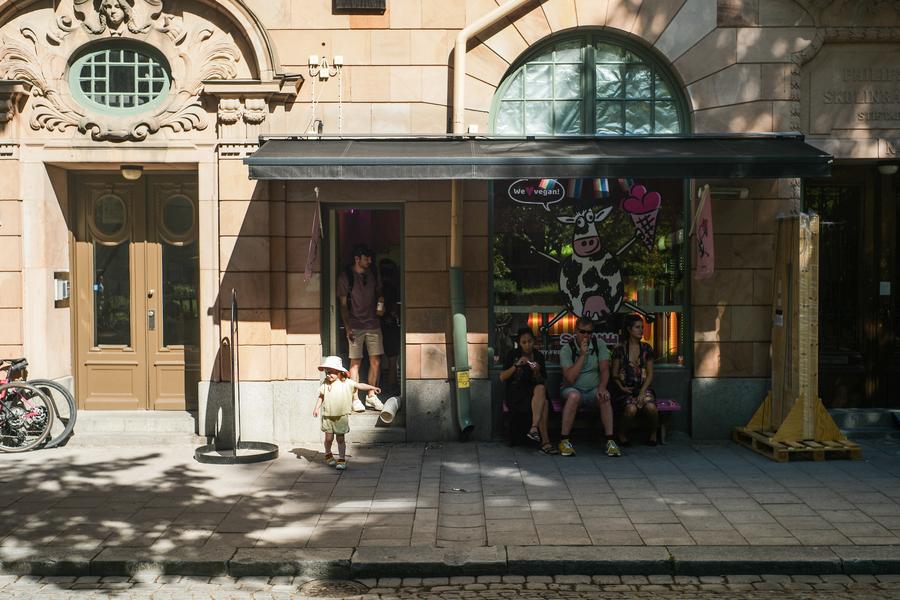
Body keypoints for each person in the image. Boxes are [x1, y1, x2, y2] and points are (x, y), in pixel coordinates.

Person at [559, 316, 621, 457]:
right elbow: (570, 378)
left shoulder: (599, 345)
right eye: (583, 332)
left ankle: (610, 441)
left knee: (605, 396)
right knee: (574, 396)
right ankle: (564, 440)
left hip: (593, 390)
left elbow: (604, 370)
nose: (586, 335)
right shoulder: (567, 349)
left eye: (589, 332)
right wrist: (582, 355)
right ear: (576, 331)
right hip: (572, 389)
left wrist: (602, 387)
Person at [337, 244, 385, 413]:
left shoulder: (373, 274)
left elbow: (380, 293)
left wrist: (381, 304)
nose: (370, 261)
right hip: (355, 325)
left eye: (370, 258)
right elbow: (343, 305)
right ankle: (355, 398)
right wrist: (347, 327)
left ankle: (371, 395)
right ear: (357, 259)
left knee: (376, 361)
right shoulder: (346, 277)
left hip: (373, 324)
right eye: (366, 258)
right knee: (355, 362)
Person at [313, 355, 381, 470]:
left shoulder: (347, 383)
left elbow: (360, 385)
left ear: (339, 372)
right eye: (327, 372)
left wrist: (372, 388)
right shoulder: (325, 383)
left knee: (340, 439)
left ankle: (341, 458)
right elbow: (321, 396)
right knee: (328, 438)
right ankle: (328, 453)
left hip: (341, 416)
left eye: (331, 372)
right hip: (328, 416)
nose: (328, 375)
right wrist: (316, 408)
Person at [499, 327, 557, 454]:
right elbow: (502, 377)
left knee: (541, 389)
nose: (527, 345)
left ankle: (534, 428)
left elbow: (542, 380)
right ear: (519, 343)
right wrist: (516, 365)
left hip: (534, 391)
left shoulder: (538, 355)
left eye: (530, 341)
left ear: (534, 341)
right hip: (516, 392)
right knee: (544, 403)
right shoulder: (513, 354)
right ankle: (545, 442)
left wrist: (536, 372)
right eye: (524, 342)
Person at [611, 314, 658, 446]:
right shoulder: (619, 349)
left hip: (644, 389)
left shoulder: (647, 348)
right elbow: (614, 374)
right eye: (637, 327)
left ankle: (654, 433)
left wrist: (643, 391)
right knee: (631, 409)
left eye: (642, 327)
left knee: (651, 407)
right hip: (626, 390)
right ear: (629, 329)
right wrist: (621, 387)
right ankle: (622, 434)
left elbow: (650, 374)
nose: (641, 330)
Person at [378, 258, 401, 396]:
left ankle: (379, 387)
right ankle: (392, 386)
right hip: (390, 325)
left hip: (380, 325)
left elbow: (379, 311)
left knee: (377, 360)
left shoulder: (380, 288)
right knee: (392, 359)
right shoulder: (393, 288)